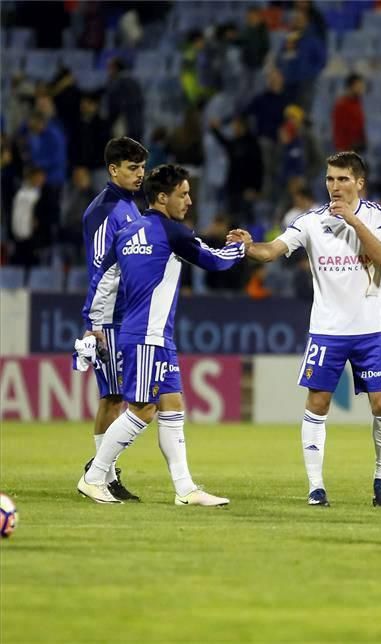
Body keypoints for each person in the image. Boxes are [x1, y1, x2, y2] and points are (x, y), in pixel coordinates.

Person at [232, 152, 381, 508]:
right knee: (318, 403)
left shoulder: (377, 216)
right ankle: (315, 486)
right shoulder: (310, 222)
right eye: (329, 179)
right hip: (327, 331)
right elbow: (272, 251)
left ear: (359, 183)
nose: (334, 186)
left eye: (342, 179)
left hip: (370, 330)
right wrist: (249, 247)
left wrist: (355, 223)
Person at [77, 164, 246, 505]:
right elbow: (214, 261)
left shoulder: (127, 232)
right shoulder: (173, 232)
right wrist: (240, 248)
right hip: (147, 336)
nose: (189, 200)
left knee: (172, 405)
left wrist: (93, 323)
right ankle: (94, 477)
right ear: (162, 197)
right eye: (183, 194)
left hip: (147, 335)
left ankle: (185, 489)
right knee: (142, 410)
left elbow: (103, 282)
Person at [77, 138, 148, 501]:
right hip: (109, 318)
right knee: (113, 396)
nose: (140, 174)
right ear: (113, 170)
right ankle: (100, 475)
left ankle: (102, 471)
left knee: (119, 397)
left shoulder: (129, 206)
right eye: (132, 168)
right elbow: (100, 268)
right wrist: (94, 321)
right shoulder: (107, 210)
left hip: (125, 314)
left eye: (141, 167)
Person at [332, 74, 366, 153]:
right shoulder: (341, 105)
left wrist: (362, 141)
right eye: (359, 86)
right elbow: (338, 129)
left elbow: (360, 125)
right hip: (345, 149)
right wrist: (342, 148)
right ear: (351, 86)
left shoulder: (357, 103)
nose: (361, 89)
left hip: (357, 147)